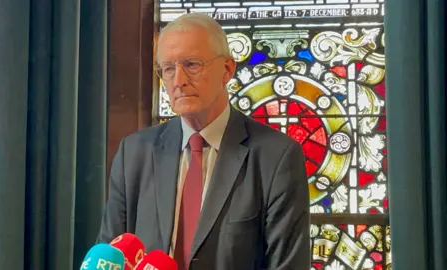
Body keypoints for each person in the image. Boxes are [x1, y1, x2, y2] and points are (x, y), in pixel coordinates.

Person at [97, 13, 310, 270]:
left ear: (227, 69)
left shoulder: (276, 156)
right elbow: (109, 257)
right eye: (167, 69)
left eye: (192, 64)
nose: (179, 81)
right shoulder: (134, 153)